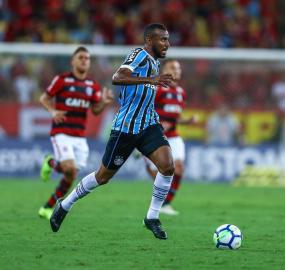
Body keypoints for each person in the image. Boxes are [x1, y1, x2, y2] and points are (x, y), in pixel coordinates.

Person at [49, 23, 175, 240]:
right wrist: (151, 80)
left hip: (148, 124)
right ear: (149, 41)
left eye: (167, 39)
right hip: (125, 127)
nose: (167, 44)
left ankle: (152, 217)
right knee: (103, 176)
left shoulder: (154, 62)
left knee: (167, 166)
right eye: (162, 39)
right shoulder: (139, 55)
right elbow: (117, 77)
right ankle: (65, 204)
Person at [38, 46, 114, 219]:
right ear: (72, 61)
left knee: (70, 174)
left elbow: (95, 111)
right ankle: (50, 163)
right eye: (80, 57)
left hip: (80, 136)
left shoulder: (92, 85)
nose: (84, 60)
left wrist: (104, 102)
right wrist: (53, 112)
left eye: (87, 58)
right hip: (61, 132)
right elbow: (44, 98)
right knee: (70, 168)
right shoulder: (62, 80)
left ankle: (48, 206)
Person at [143, 59, 197, 216]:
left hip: (173, 136)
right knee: (158, 174)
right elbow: (144, 110)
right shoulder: (157, 89)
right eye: (173, 67)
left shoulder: (181, 93)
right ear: (164, 70)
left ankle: (166, 203)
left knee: (178, 167)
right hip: (153, 135)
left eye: (178, 68)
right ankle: (142, 154)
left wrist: (187, 121)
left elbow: (174, 117)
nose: (177, 70)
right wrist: (158, 124)